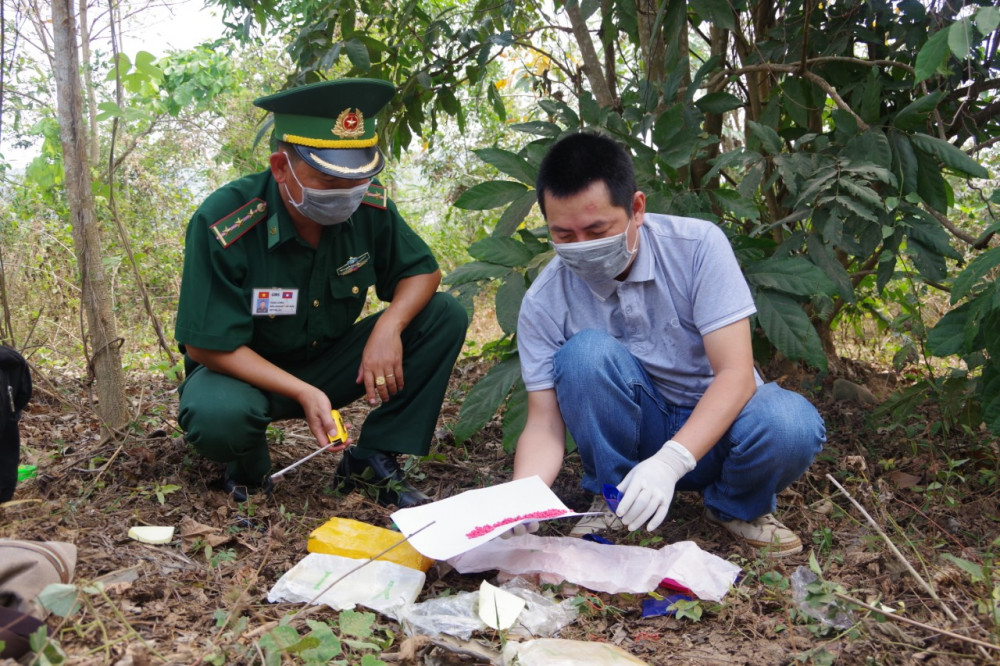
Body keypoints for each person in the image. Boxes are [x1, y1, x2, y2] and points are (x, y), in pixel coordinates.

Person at [510, 132, 825, 557]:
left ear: (636, 209)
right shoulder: (544, 300)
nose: (582, 248)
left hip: (720, 429)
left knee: (790, 423)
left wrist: (670, 461)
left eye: (597, 230)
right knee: (583, 356)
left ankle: (735, 506)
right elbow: (544, 423)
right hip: (637, 430)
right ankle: (615, 497)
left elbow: (735, 374)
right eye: (564, 235)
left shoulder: (697, 247)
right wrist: (519, 501)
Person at [174, 78, 467, 508]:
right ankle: (248, 466)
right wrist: (302, 391)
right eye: (329, 182)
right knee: (219, 416)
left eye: (359, 179)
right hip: (243, 374)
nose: (347, 194)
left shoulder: (369, 205)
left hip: (330, 363)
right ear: (280, 168)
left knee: (443, 315)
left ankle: (372, 458)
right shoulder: (226, 222)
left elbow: (422, 273)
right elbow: (204, 345)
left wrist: (389, 327)